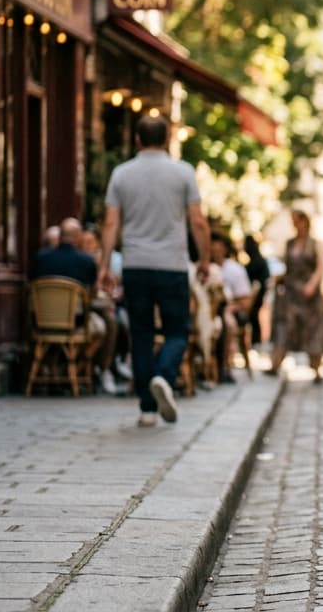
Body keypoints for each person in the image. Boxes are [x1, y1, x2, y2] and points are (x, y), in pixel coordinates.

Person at [99, 115, 211, 428]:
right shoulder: (183, 172)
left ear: (137, 139)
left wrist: (105, 266)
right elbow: (198, 221)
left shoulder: (122, 174)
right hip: (172, 264)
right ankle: (163, 375)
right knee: (177, 330)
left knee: (141, 335)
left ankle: (147, 409)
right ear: (167, 139)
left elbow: (111, 222)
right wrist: (203, 259)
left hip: (135, 264)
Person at [33, 217, 117, 394]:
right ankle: (88, 367)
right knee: (106, 325)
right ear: (77, 237)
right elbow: (93, 293)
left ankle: (56, 369)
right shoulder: (85, 261)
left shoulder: (40, 258)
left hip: (42, 321)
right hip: (76, 322)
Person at [268, 209, 323, 383]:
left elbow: (320, 268)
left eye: (296, 220)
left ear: (304, 221)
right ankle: (276, 363)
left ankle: (316, 369)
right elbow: (287, 267)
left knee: (313, 330)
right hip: (292, 292)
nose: (294, 224)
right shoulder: (290, 243)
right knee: (286, 328)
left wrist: (312, 285)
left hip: (310, 294)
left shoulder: (315, 243)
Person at [210, 232, 252, 383]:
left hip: (229, 310)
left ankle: (224, 367)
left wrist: (229, 309)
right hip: (209, 311)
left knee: (226, 323)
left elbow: (246, 300)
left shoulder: (235, 270)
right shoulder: (205, 268)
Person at [242, 234, 271, 350]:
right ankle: (255, 342)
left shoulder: (257, 261)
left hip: (257, 293)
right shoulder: (257, 260)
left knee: (254, 316)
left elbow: (258, 280)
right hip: (257, 292)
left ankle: (256, 342)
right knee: (254, 317)